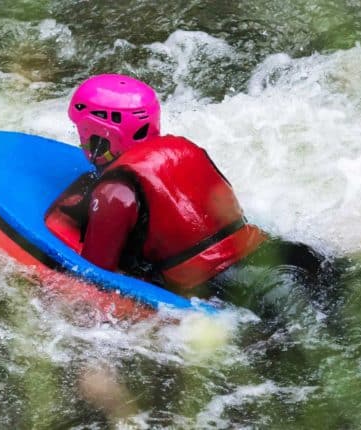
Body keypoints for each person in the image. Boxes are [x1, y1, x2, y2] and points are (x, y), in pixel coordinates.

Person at [60, 74, 335, 317]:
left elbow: (94, 277)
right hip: (289, 255)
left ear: (101, 135)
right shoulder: (188, 150)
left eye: (81, 131)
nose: (81, 140)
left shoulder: (115, 192)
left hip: (241, 291)